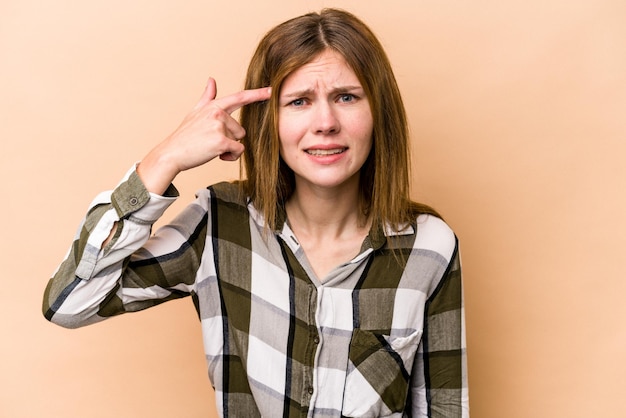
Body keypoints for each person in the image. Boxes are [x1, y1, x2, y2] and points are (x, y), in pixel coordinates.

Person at [43, 8, 469, 418]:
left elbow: (445, 408)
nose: (325, 122)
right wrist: (165, 158)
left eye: (346, 97)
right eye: (299, 101)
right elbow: (70, 302)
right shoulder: (219, 223)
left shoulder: (428, 247)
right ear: (269, 121)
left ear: (379, 113)